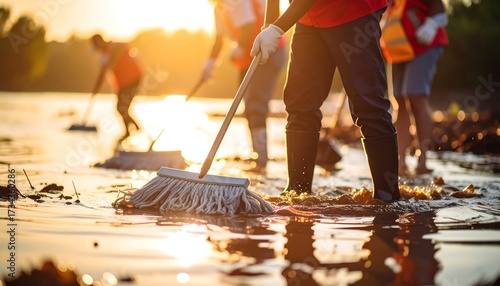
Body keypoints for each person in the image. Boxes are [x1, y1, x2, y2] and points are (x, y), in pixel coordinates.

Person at [251, 0, 401, 201]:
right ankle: (297, 193)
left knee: (368, 105)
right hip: (308, 18)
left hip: (353, 11)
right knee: (299, 104)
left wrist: (277, 28)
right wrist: (268, 27)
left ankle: (387, 197)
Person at [201, 0, 286, 173]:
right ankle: (258, 156)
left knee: (255, 104)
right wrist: (209, 64)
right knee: (248, 106)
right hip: (249, 57)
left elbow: (249, 26)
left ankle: (261, 159)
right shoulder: (219, 8)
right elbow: (219, 39)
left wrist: (239, 48)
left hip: (269, 50)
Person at [383, 0, 449, 176]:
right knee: (398, 100)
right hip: (397, 48)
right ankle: (400, 159)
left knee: (415, 95)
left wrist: (431, 25)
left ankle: (423, 158)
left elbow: (439, 7)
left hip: (424, 44)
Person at [90, 34, 143, 139]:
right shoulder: (105, 55)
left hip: (132, 79)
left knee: (122, 107)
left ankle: (136, 130)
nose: (98, 51)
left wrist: (108, 62)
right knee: (120, 108)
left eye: (97, 47)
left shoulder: (114, 46)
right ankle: (133, 131)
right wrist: (96, 89)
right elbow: (103, 73)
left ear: (100, 42)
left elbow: (120, 51)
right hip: (123, 83)